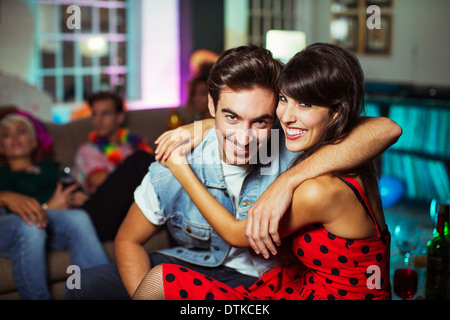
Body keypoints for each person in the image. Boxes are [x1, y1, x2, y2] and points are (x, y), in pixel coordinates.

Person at [67, 45, 401, 300]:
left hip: (273, 281)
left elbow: (387, 128)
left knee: (162, 282)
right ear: (211, 107)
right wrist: (207, 129)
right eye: (286, 101)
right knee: (83, 287)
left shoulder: (308, 163)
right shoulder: (180, 155)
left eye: (261, 120)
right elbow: (128, 240)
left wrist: (285, 181)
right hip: (225, 267)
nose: (288, 116)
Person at [0, 114, 109, 300]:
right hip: (12, 225)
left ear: (34, 142)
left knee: (79, 217)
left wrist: (76, 198)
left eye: (21, 131)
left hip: (53, 224)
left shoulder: (52, 167)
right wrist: (44, 206)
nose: (15, 138)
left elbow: (75, 189)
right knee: (31, 225)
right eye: (7, 134)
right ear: (1, 146)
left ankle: (105, 295)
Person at [72, 91, 152, 194]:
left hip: (137, 198)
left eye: (105, 114)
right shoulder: (87, 150)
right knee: (140, 158)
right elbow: (98, 180)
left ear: (120, 117)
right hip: (104, 202)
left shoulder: (134, 145)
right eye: (95, 114)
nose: (98, 120)